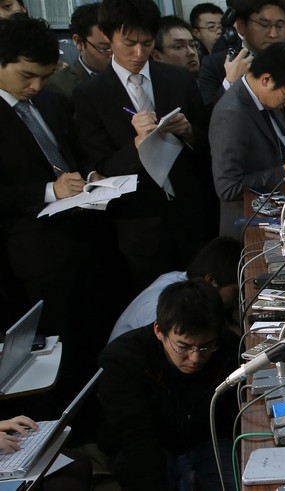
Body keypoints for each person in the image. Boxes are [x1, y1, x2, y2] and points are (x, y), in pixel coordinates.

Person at [0, 15, 118, 403]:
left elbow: (71, 155)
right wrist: (48, 191)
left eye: (45, 77)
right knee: (55, 356)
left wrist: (92, 175)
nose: (36, 86)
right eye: (27, 75)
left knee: (93, 342)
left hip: (86, 241)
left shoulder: (51, 102)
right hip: (34, 259)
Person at [75, 0, 217, 292]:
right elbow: (100, 167)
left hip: (193, 216)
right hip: (139, 226)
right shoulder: (91, 94)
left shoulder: (178, 79)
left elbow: (209, 144)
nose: (139, 53)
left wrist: (190, 132)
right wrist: (138, 144)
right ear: (108, 35)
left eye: (147, 42)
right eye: (129, 43)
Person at [99, 280, 240, 490]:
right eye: (183, 346)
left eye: (205, 347)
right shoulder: (122, 361)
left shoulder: (227, 347)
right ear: (159, 331)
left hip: (209, 442)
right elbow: (136, 439)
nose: (195, 358)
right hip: (148, 448)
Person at [210, 42, 285, 236]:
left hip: (280, 211)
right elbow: (228, 188)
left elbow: (282, 150)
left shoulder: (265, 99)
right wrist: (283, 171)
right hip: (250, 225)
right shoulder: (232, 114)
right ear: (267, 79)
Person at [109, 237, 242, 342]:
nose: (238, 299)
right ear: (212, 281)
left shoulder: (178, 278)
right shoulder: (171, 305)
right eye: (236, 292)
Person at [198, 0, 285, 106]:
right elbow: (209, 117)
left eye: (279, 25)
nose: (273, 34)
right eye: (264, 25)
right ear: (241, 25)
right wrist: (230, 83)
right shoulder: (213, 64)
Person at [44, 3, 113, 103]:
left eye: (116, 46)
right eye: (104, 48)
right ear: (79, 42)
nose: (113, 54)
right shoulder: (58, 85)